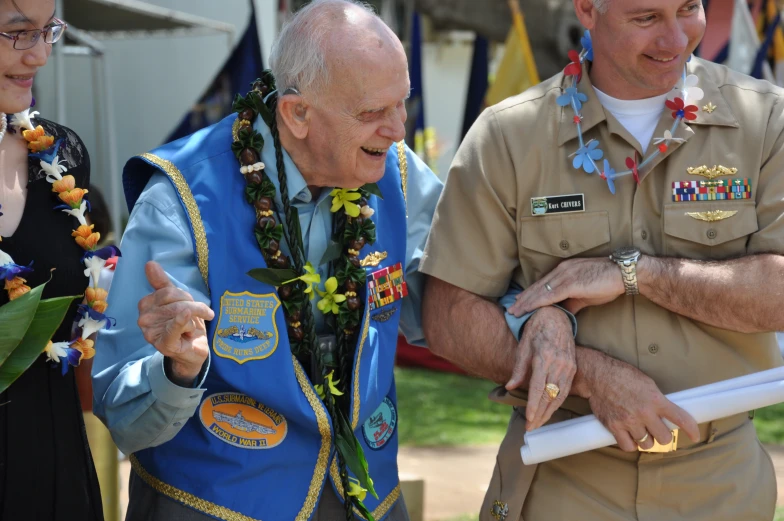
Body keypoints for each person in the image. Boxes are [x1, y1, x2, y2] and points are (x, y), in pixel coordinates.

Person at [421, 1, 784, 520]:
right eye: (646, 18)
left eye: (689, 9)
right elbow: (448, 315)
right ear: (588, 8)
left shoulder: (767, 121)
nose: (675, 39)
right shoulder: (509, 137)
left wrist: (633, 274)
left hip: (721, 484)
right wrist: (589, 376)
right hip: (565, 476)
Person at [92, 1, 443, 520]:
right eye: (372, 113)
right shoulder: (182, 197)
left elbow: (453, 297)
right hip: (217, 508)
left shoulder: (399, 173)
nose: (397, 130)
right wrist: (177, 369)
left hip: (368, 501)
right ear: (297, 113)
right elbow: (121, 415)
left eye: (402, 104)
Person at [0, 1, 104, 519]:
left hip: (52, 468)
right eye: (18, 33)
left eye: (48, 31)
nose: (40, 55)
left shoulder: (61, 154)